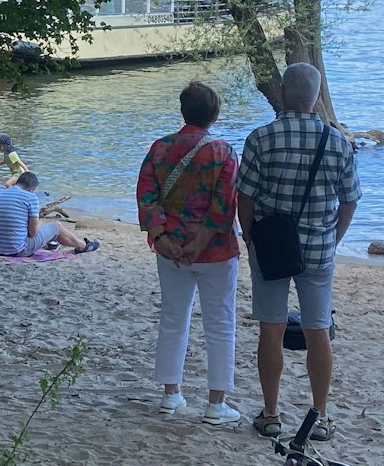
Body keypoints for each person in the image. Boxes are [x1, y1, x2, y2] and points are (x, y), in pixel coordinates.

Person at [237, 63, 359, 441]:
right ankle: (320, 417)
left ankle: (271, 414)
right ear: (317, 97)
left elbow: (245, 196)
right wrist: (333, 239)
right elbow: (350, 201)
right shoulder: (337, 142)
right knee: (318, 328)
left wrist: (249, 235)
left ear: (283, 93)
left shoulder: (260, 138)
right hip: (319, 248)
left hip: (271, 247)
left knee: (271, 328)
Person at [137, 82, 240, 425]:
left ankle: (171, 394)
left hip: (170, 248)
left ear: (183, 111)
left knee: (173, 318)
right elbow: (224, 205)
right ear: (215, 115)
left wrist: (162, 238)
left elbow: (146, 196)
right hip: (215, 251)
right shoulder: (223, 151)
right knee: (220, 323)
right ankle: (216, 403)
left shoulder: (160, 148)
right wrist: (198, 243)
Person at [0, 171, 97, 257]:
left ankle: (54, 243)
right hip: (17, 250)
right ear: (32, 188)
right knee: (56, 226)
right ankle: (82, 246)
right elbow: (33, 233)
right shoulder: (30, 197)